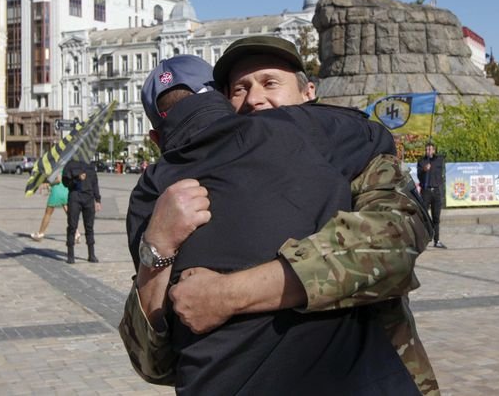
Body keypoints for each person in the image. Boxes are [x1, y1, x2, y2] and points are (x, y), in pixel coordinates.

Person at [120, 36, 438, 394]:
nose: (254, 98)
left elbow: (396, 242)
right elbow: (153, 363)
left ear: (308, 93)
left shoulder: (353, 156)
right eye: (239, 89)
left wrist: (229, 294)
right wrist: (157, 249)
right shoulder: (170, 194)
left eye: (270, 83)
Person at [62, 160, 102, 263]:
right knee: (72, 226)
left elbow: (95, 183)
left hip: (89, 198)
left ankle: (91, 254)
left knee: (89, 227)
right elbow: (65, 183)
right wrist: (77, 179)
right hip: (75, 197)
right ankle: (70, 255)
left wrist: (97, 199)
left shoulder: (90, 165)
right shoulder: (70, 164)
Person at [30, 174, 80, 243]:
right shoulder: (64, 167)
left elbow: (58, 180)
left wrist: (48, 184)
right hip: (65, 190)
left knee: (48, 213)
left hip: (57, 191)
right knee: (69, 213)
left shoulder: (57, 168)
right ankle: (76, 233)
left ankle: (40, 234)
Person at [417, 140, 446, 249]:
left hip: (436, 191)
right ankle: (423, 240)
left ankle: (437, 240)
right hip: (426, 191)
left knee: (436, 218)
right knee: (423, 216)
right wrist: (424, 170)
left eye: (430, 149)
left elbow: (442, 159)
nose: (428, 151)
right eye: (426, 149)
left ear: (434, 150)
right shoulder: (421, 161)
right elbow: (419, 176)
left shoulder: (439, 160)